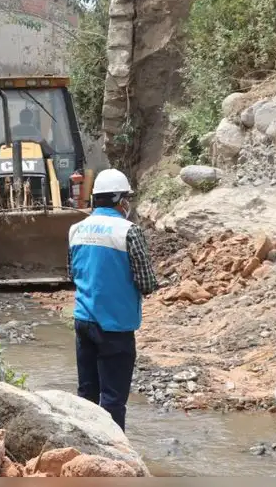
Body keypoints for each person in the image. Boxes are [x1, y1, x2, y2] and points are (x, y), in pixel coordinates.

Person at [67, 168, 158, 431]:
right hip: (115, 326)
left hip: (83, 321)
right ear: (120, 200)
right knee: (113, 400)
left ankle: (86, 450)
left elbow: (72, 273)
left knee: (87, 396)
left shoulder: (76, 230)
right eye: (126, 198)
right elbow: (147, 283)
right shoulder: (128, 231)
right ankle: (114, 459)